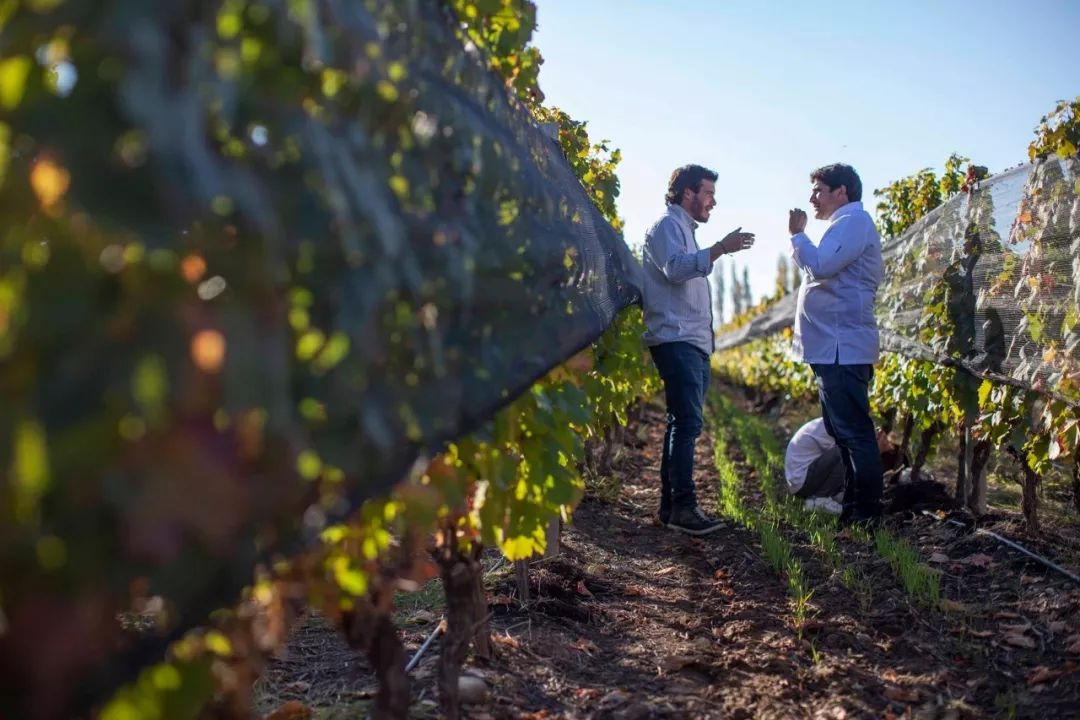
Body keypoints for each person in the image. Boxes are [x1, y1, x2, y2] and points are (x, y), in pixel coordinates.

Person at [642, 164, 755, 535]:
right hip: (675, 339)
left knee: (683, 423)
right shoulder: (666, 227)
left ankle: (671, 508)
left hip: (693, 342)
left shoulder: (686, 231)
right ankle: (684, 508)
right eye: (708, 193)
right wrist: (720, 249)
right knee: (687, 423)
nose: (713, 201)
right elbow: (674, 269)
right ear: (687, 193)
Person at [787, 163, 884, 526]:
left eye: (818, 190)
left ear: (841, 191)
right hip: (832, 347)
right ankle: (853, 509)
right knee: (843, 433)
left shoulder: (853, 223)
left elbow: (823, 266)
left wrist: (798, 236)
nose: (812, 198)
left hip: (843, 347)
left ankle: (867, 512)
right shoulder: (842, 227)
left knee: (855, 433)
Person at [785, 418, 901, 515]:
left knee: (848, 451)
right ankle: (819, 498)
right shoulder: (834, 427)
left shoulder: (835, 423)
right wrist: (874, 450)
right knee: (845, 450)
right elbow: (851, 456)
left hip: (802, 481)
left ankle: (832, 494)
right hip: (803, 481)